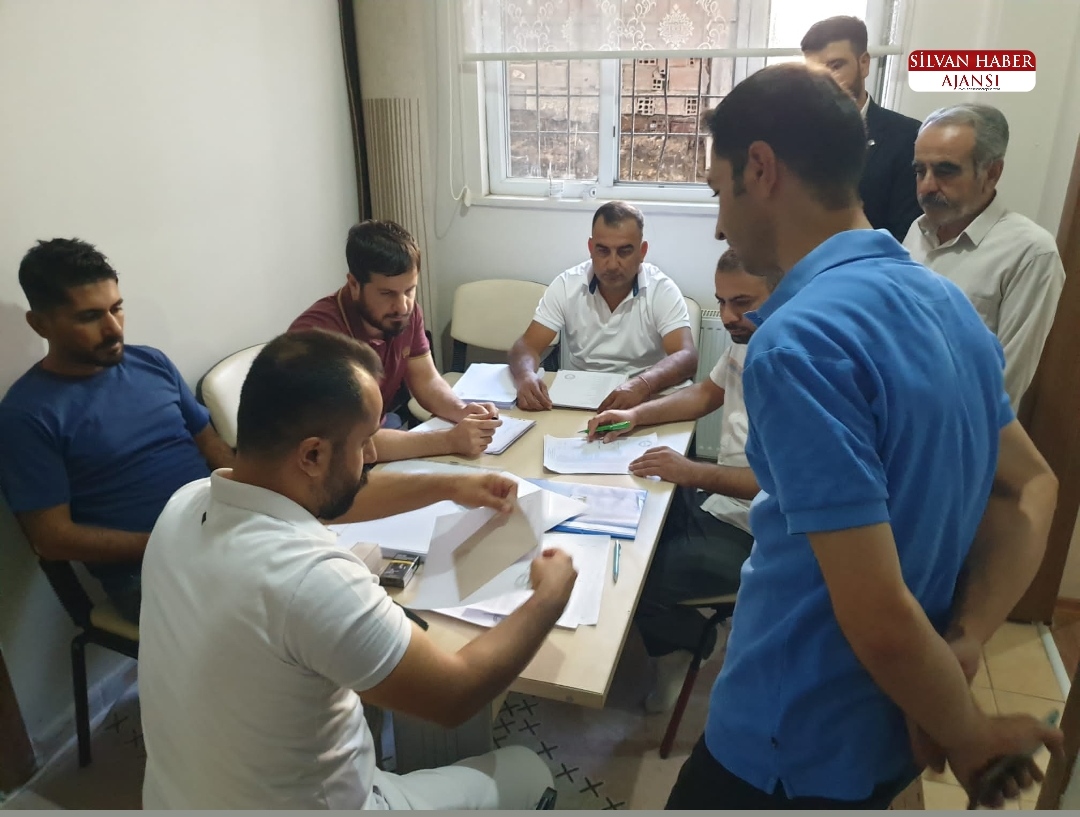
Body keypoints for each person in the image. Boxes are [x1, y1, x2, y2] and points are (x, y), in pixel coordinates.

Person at [666, 63, 1063, 810]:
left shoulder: (797, 341)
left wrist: (970, 733)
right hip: (891, 723)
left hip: (791, 736)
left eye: (719, 192)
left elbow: (876, 614)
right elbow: (1031, 486)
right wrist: (965, 641)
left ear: (761, 169)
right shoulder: (945, 302)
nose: (719, 224)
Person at [138, 328, 577, 810]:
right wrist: (548, 597)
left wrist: (451, 485)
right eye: (365, 442)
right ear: (312, 455)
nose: (371, 457)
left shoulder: (185, 504)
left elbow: (329, 499)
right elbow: (455, 693)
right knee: (527, 770)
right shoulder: (312, 578)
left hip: (175, 799)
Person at [0, 238, 234, 624]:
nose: (113, 329)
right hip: (147, 574)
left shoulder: (151, 363)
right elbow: (52, 539)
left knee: (326, 562)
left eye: (117, 308)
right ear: (40, 324)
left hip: (223, 533)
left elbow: (213, 447)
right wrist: (170, 544)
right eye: (89, 316)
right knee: (289, 609)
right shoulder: (27, 415)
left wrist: (260, 499)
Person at [586, 248, 770, 713]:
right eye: (721, 302)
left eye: (742, 303)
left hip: (761, 531)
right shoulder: (747, 338)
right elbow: (706, 393)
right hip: (723, 500)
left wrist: (691, 472)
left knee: (635, 577)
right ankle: (677, 630)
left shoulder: (792, 361)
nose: (727, 316)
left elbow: (779, 486)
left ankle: (689, 644)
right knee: (628, 527)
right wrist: (634, 415)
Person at [291, 220, 501, 461]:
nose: (402, 306)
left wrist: (461, 410)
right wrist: (449, 440)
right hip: (320, 464)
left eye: (409, 290)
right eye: (387, 293)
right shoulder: (316, 338)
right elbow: (350, 445)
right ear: (354, 285)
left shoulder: (404, 315)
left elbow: (426, 380)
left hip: (374, 437)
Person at [903, 104, 1065, 410]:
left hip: (957, 429)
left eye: (945, 170)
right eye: (920, 171)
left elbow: (1006, 383)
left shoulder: (1030, 252)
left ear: (992, 173)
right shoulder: (918, 230)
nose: (927, 186)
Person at [508, 201, 698, 412]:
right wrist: (525, 375)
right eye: (603, 251)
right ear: (591, 248)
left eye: (624, 251)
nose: (613, 264)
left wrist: (643, 384)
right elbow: (527, 346)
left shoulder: (661, 289)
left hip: (644, 397)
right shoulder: (567, 285)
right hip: (581, 399)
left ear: (642, 251)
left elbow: (686, 356)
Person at [801, 15, 922, 242]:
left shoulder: (908, 137)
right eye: (814, 73)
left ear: (864, 63)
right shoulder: (796, 137)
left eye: (835, 66)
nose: (825, 80)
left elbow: (907, 233)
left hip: (874, 260)